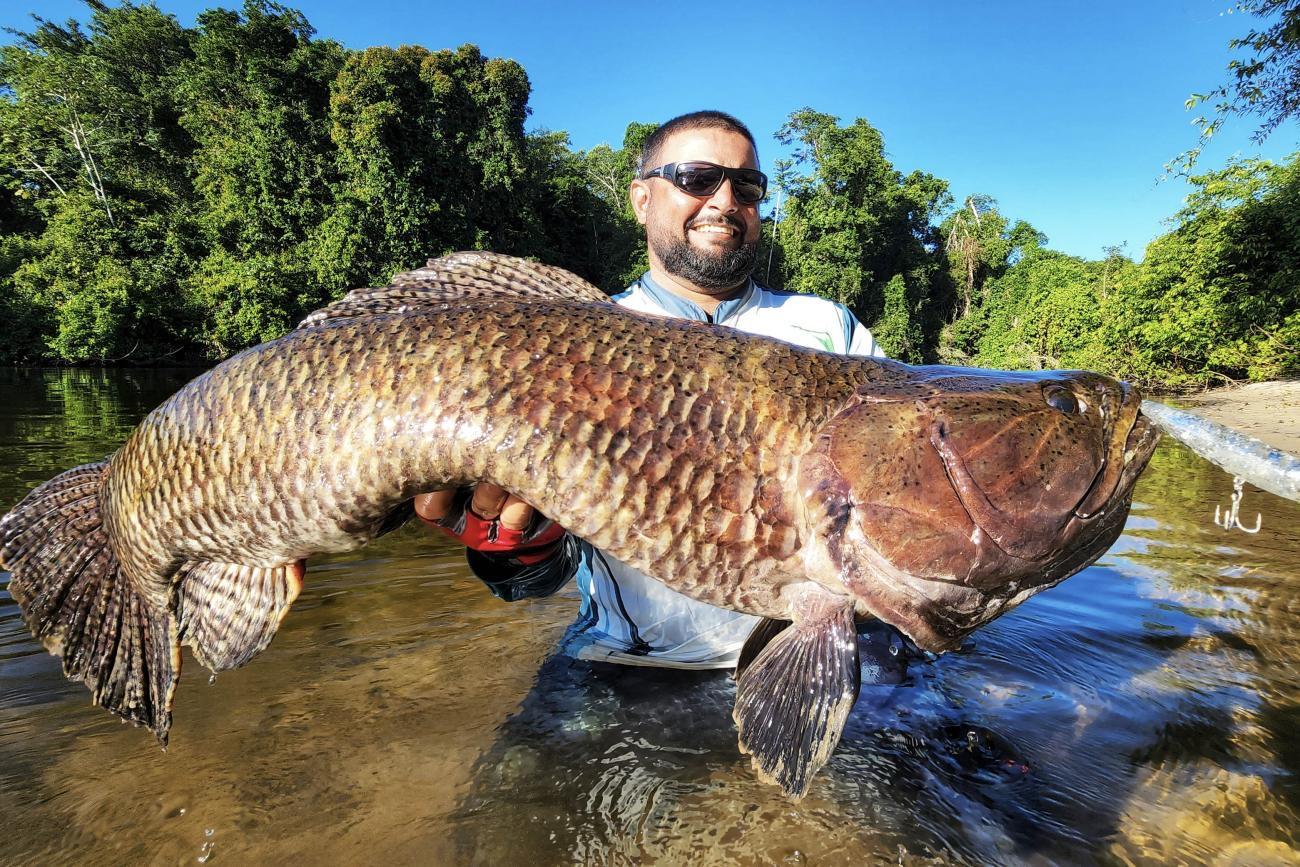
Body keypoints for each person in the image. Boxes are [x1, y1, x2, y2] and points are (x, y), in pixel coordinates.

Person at [414, 109, 884, 670]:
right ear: (641, 199)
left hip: (823, 652)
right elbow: (528, 587)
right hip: (628, 667)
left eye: (747, 185)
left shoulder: (831, 328)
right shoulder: (566, 335)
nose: (726, 201)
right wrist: (517, 549)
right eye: (697, 179)